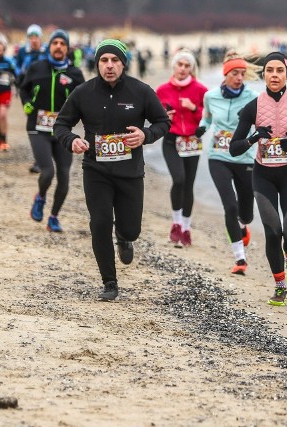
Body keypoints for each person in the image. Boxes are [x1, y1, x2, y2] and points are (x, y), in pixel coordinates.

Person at [54, 39, 170, 301]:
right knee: (100, 223)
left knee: (131, 229)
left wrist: (146, 134)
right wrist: (71, 140)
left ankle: (124, 237)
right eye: (104, 61)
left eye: (114, 61)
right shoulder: (83, 93)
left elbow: (164, 122)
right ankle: (109, 282)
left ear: (123, 63)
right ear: (97, 64)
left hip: (130, 172)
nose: (109, 66)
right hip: (96, 171)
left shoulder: (141, 91)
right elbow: (60, 125)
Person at [229, 51, 287, 306]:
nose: (274, 75)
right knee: (272, 232)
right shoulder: (253, 107)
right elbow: (234, 148)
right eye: (269, 71)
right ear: (264, 75)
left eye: (279, 70)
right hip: (263, 174)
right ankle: (279, 286)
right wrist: (255, 137)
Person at [195, 51, 260, 274]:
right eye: (235, 73)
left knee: (246, 211)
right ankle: (240, 259)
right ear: (226, 74)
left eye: (242, 73)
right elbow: (207, 116)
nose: (240, 77)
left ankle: (244, 225)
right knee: (229, 206)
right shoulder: (211, 96)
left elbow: (263, 121)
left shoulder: (253, 97)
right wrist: (203, 126)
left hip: (245, 158)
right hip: (218, 156)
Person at [20, 29, 85, 232]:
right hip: (37, 127)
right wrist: (27, 104)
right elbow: (23, 88)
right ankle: (40, 197)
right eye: (55, 43)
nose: (58, 46)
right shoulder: (37, 67)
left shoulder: (75, 74)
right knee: (47, 172)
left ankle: (54, 217)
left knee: (64, 177)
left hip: (62, 131)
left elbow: (84, 100)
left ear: (67, 48)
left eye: (62, 44)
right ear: (50, 46)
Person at [156, 50, 208, 247]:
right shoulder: (162, 90)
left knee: (189, 185)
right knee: (179, 179)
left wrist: (194, 108)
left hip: (192, 142)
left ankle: (186, 228)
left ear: (192, 69)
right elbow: (154, 115)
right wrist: (164, 117)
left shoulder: (200, 90)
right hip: (171, 140)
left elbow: (207, 117)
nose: (183, 69)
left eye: (187, 66)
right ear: (174, 67)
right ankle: (176, 223)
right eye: (180, 65)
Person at [16, 24, 48, 174]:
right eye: (31, 37)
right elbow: (16, 67)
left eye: (36, 37)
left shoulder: (47, 50)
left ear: (40, 37)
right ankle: (39, 158)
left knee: (43, 124)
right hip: (28, 91)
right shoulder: (23, 51)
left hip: (44, 90)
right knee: (32, 125)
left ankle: (41, 159)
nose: (34, 40)